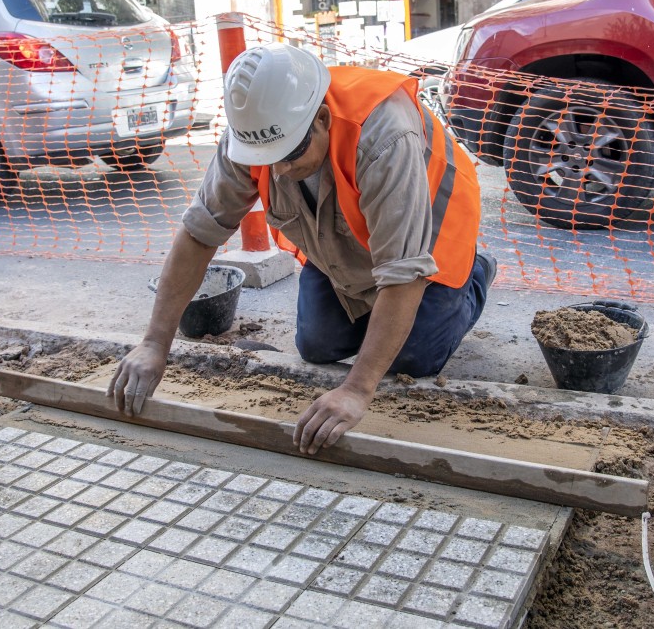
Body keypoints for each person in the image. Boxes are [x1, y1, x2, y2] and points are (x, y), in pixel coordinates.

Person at [108, 43, 495, 455]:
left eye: (289, 155)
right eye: (266, 157)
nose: (278, 171)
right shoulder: (252, 132)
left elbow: (403, 270)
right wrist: (154, 343)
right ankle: (382, 316)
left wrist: (357, 390)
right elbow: (199, 233)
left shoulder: (385, 134)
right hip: (344, 244)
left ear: (324, 120)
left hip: (429, 243)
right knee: (317, 346)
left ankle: (475, 276)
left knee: (413, 360)